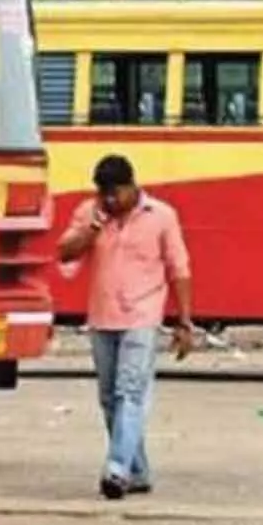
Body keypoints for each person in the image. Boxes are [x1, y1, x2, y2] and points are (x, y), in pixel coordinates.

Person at [57, 154, 193, 500]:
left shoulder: (162, 216)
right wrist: (94, 227)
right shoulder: (90, 212)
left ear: (132, 186)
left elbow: (179, 268)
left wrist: (184, 320)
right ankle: (138, 470)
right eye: (105, 194)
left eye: (116, 193)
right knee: (109, 399)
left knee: (130, 391)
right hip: (102, 317)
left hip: (143, 316)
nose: (111, 200)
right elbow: (65, 253)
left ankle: (117, 468)